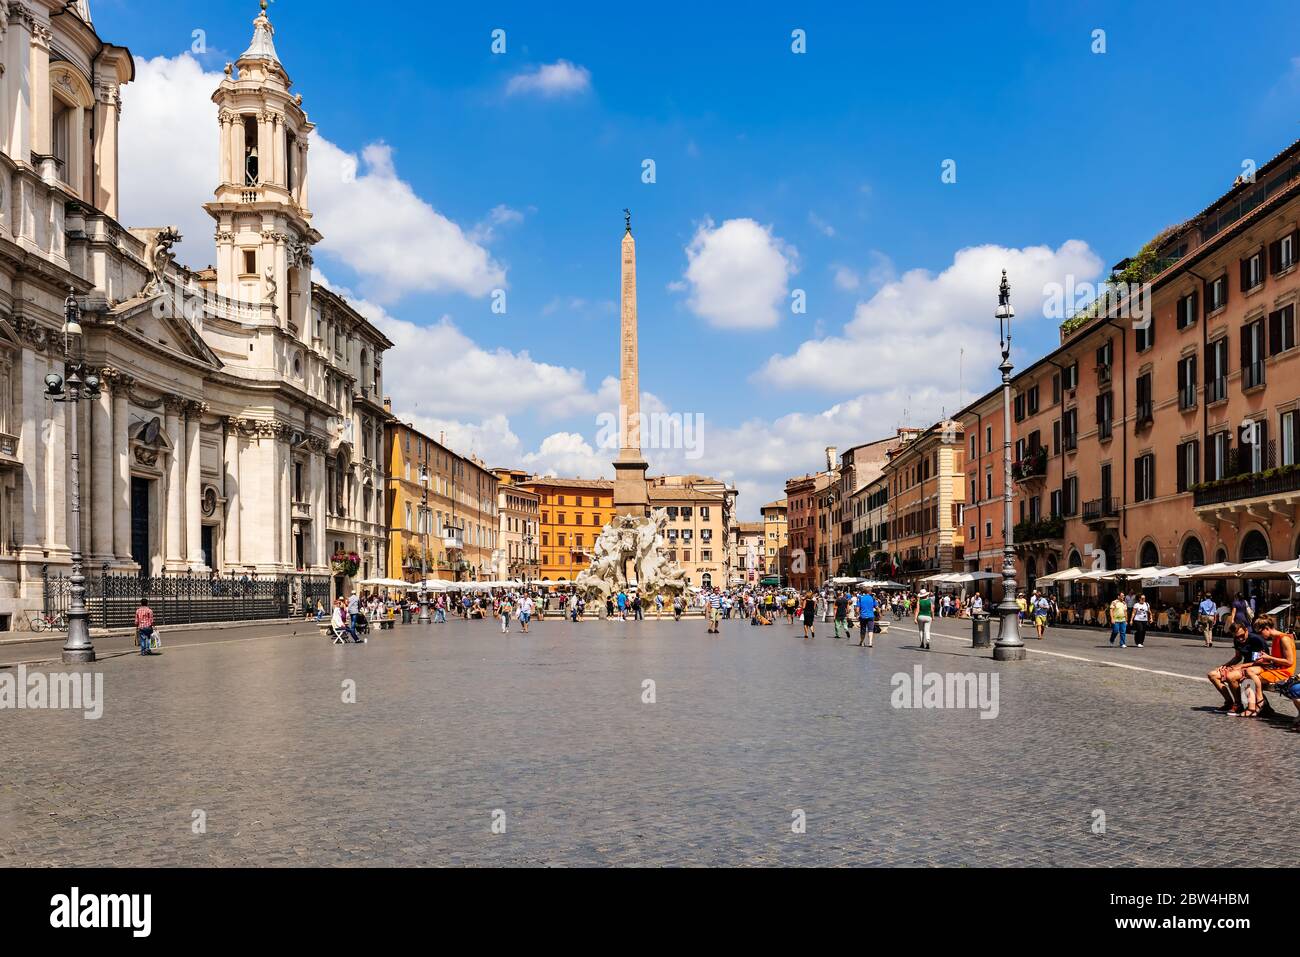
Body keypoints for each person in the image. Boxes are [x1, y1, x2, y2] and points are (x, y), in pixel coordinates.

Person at [1207, 621, 1268, 714]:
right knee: (1212, 674)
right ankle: (1228, 703)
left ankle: (1238, 704)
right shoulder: (1237, 639)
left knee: (1231, 676)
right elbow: (1238, 657)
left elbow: (1260, 661)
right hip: (1243, 667)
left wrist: (1240, 666)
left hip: (1257, 667)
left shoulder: (1256, 640)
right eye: (1237, 637)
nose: (1240, 639)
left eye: (1242, 635)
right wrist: (1224, 666)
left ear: (1246, 630)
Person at [1241, 614, 1294, 719]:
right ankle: (1257, 705)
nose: (1260, 635)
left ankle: (1256, 705)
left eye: (1260, 632)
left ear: (1267, 628)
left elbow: (1289, 662)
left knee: (1247, 678)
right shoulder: (1275, 639)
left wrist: (1269, 657)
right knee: (1247, 672)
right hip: (1276, 669)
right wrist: (1265, 659)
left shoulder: (1284, 639)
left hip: (1283, 672)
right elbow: (1276, 659)